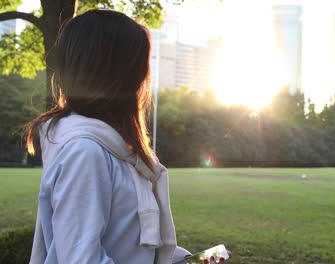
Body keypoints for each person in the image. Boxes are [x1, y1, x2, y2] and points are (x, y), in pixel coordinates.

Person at [24, 9, 209, 264]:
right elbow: (81, 259)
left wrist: (186, 260)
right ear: (120, 74)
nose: (144, 76)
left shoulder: (115, 149)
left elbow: (129, 245)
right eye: (140, 64)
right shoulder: (85, 152)